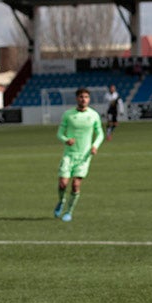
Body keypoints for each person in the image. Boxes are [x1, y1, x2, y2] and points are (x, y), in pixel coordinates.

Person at [54, 88, 104, 223]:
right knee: (63, 183)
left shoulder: (93, 115)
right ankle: (61, 201)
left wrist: (95, 146)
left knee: (76, 185)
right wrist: (66, 140)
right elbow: (59, 133)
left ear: (89, 99)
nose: (84, 99)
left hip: (84, 156)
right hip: (69, 155)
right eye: (81, 97)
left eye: (86, 97)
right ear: (77, 98)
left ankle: (69, 212)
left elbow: (100, 134)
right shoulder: (68, 115)